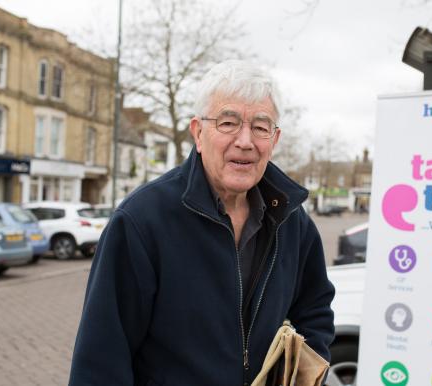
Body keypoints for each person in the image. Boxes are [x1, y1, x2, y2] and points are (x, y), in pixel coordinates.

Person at [68, 60, 335, 385]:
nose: (245, 141)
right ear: (198, 132)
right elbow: (102, 356)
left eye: (261, 127)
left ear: (274, 140)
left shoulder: (291, 220)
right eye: (228, 123)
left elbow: (315, 308)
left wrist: (304, 372)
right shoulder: (141, 221)